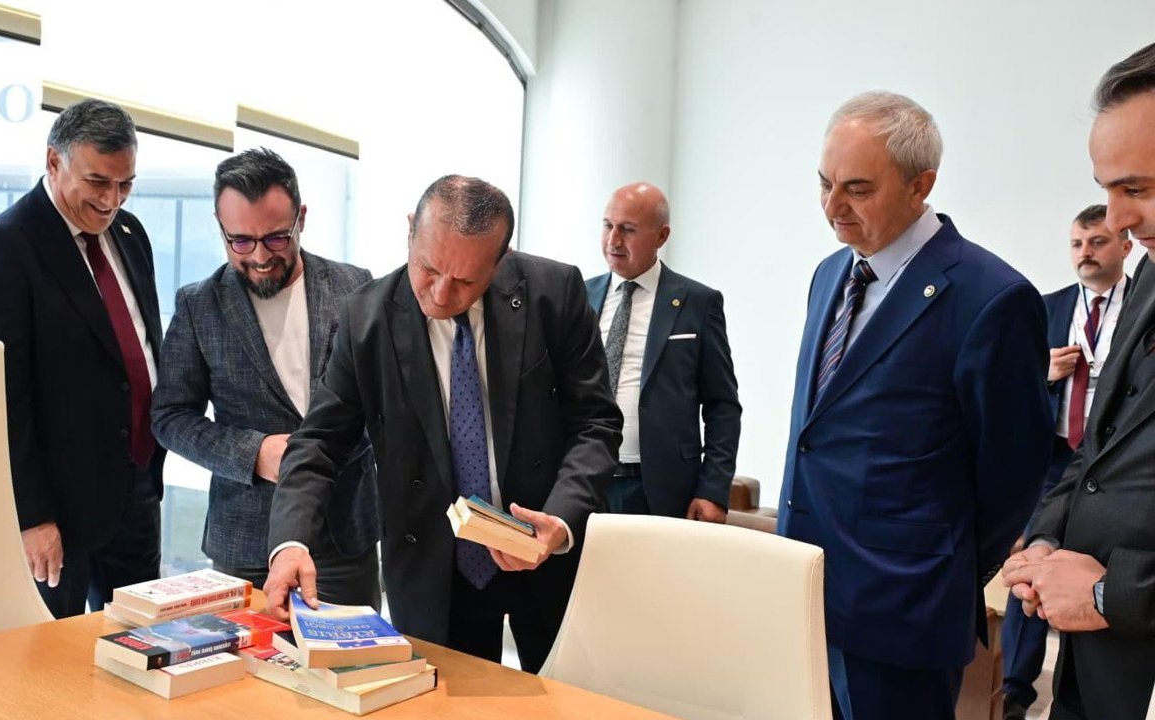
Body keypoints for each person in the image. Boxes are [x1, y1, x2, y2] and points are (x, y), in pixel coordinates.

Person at [263, 175, 622, 672]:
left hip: (542, 550)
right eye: (428, 268)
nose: (440, 293)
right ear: (411, 230)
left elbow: (595, 424)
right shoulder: (367, 317)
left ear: (500, 259)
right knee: (444, 700)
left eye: (466, 281)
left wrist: (560, 522)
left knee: (564, 697)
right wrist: (290, 542)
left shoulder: (553, 293)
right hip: (433, 562)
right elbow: (319, 442)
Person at [777, 91, 1052, 720]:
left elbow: (1013, 471)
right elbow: (816, 432)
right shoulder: (830, 274)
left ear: (920, 185)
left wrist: (939, 569)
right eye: (824, 183)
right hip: (805, 589)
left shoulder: (992, 297)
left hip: (902, 608)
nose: (833, 207)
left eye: (858, 189)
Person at [0, 99, 165, 618]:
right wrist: (31, 516)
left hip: (136, 488)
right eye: (97, 182)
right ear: (54, 162)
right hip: (59, 511)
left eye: (125, 184)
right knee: (54, 657)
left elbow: (142, 346)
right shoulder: (4, 246)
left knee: (143, 646)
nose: (111, 200)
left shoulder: (130, 234)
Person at [150, 148, 380, 603]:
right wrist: (254, 453)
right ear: (220, 228)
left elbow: (382, 399)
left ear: (301, 219)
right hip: (246, 539)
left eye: (276, 239)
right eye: (240, 241)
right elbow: (170, 417)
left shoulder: (356, 287)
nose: (259, 257)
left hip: (343, 532)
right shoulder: (199, 305)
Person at [1003, 42, 1155, 719]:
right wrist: (1046, 538)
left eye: (1137, 190)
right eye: (1108, 190)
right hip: (1096, 664)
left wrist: (1107, 594)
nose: (1117, 221)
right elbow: (1100, 446)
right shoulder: (1147, 283)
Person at [1000, 205, 1132, 720]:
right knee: (1033, 565)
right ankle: (1015, 691)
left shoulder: (1142, 309)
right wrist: (1042, 373)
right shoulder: (1044, 308)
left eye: (1098, 242)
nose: (1085, 253)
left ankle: (1087, 694)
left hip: (1116, 468)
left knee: (1095, 575)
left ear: (1125, 246)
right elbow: (1008, 389)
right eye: (1077, 243)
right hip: (1054, 463)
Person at [584, 182, 741, 521]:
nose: (613, 240)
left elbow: (723, 406)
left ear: (662, 236)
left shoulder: (698, 303)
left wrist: (713, 489)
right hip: (586, 481)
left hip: (659, 488)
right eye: (608, 225)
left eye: (628, 229)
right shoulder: (580, 296)